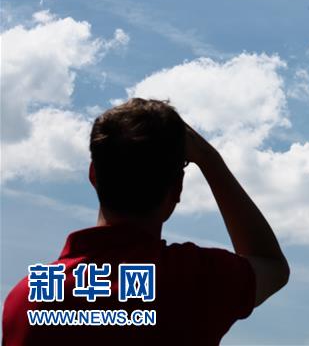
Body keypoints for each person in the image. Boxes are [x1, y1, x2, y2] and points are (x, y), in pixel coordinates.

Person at [2, 98, 290, 345]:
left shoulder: (26, 300)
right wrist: (209, 159)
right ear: (177, 188)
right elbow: (271, 265)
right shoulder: (196, 280)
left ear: (93, 175)